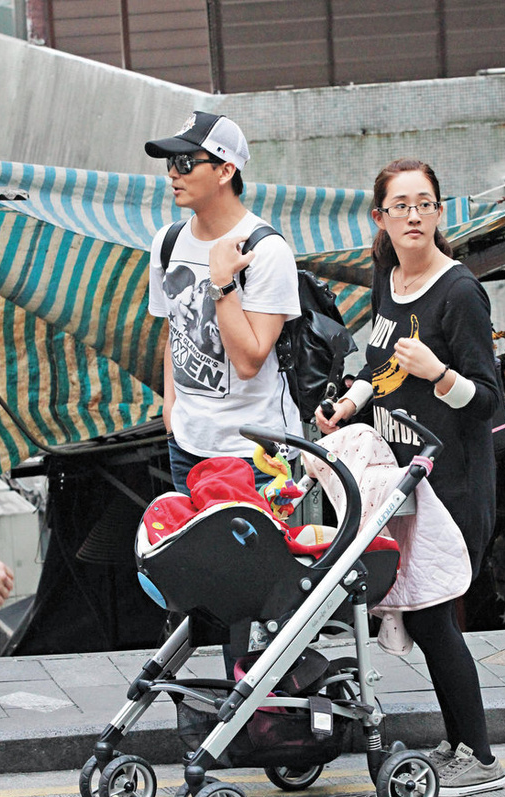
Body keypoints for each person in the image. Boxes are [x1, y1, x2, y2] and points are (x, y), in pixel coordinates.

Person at [315, 158, 505, 797]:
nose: (415, 215)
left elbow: (487, 401)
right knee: (427, 621)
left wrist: (438, 374)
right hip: (406, 480)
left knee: (433, 621)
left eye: (425, 203)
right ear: (381, 218)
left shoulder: (459, 294)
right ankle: (458, 745)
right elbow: (381, 365)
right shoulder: (388, 279)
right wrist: (350, 400)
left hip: (453, 484)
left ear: (440, 213)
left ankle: (479, 757)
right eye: (401, 205)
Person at [145, 111, 302, 671]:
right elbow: (171, 329)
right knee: (203, 580)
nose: (173, 173)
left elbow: (252, 355)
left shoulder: (266, 250)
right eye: (169, 163)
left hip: (256, 450)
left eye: (186, 162)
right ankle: (230, 711)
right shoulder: (167, 242)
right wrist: (171, 407)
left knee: (258, 596)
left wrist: (220, 284)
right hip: (189, 442)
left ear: (226, 169)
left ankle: (266, 715)